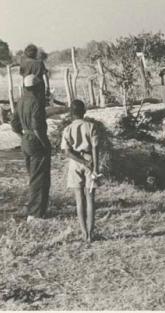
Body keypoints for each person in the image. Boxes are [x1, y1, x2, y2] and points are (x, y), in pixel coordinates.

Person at [11, 74, 51, 222]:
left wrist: (23, 137)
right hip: (35, 141)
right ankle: (35, 214)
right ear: (37, 87)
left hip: (26, 142)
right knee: (39, 178)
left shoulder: (21, 101)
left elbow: (14, 124)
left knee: (33, 177)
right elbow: (36, 127)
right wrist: (44, 143)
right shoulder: (36, 102)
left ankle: (32, 209)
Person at [61, 100, 100, 242]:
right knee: (90, 200)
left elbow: (67, 152)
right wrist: (95, 166)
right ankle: (91, 233)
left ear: (71, 113)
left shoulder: (67, 129)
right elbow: (95, 148)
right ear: (84, 111)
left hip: (75, 163)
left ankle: (84, 233)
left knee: (79, 200)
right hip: (90, 160)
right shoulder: (91, 126)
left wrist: (81, 161)